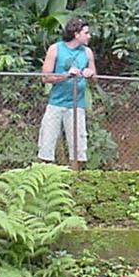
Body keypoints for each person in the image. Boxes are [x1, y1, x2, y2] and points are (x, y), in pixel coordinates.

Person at [38, 18, 97, 166]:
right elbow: (45, 78)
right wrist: (66, 75)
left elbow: (95, 79)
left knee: (78, 148)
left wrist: (90, 75)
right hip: (56, 103)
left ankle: (75, 181)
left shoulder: (87, 52)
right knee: (46, 144)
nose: (89, 36)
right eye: (86, 33)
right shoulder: (55, 48)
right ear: (76, 34)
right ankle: (44, 178)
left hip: (77, 105)